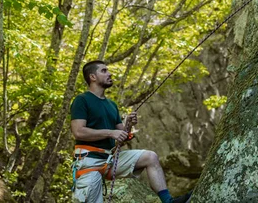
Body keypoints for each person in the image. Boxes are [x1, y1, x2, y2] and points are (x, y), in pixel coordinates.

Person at [70, 60, 192, 203]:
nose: (109, 73)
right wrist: (110, 133)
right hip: (89, 162)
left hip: (111, 159)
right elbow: (78, 132)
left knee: (150, 157)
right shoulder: (82, 100)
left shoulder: (111, 105)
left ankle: (167, 201)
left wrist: (128, 125)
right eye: (104, 71)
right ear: (93, 77)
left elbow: (123, 135)